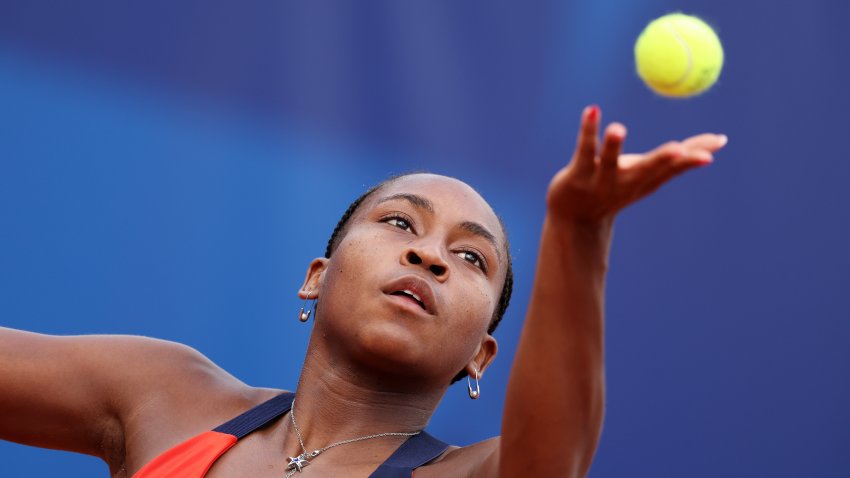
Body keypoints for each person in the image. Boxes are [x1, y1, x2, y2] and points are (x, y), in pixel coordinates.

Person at [0, 106, 727, 477]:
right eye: (400, 221)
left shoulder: (474, 475)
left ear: (481, 355)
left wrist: (580, 228)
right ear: (318, 275)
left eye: (471, 258)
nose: (429, 253)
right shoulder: (161, 393)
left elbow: (553, 459)